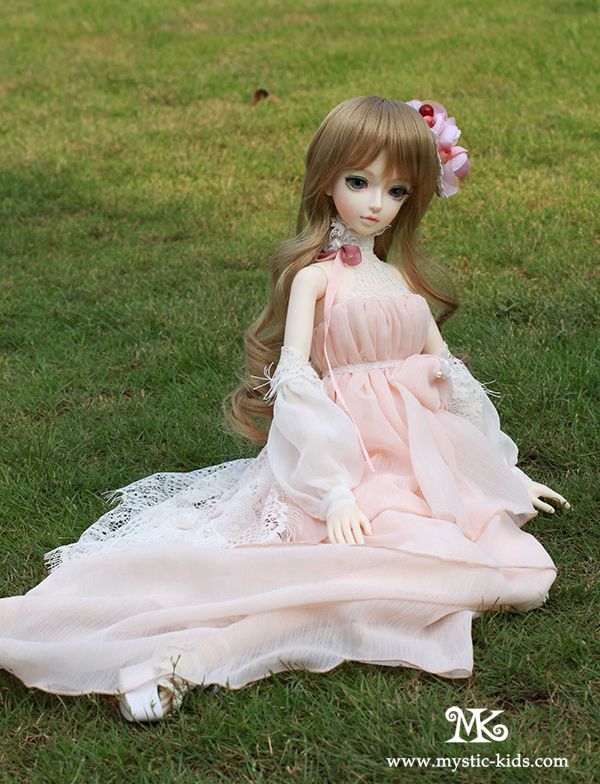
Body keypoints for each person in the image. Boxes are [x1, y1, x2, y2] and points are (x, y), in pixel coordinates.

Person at [0, 96, 569, 723]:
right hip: (347, 455)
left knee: (511, 576)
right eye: (359, 182)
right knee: (375, 568)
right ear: (327, 181)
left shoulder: (399, 280)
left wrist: (501, 472)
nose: (376, 204)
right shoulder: (316, 279)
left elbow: (451, 379)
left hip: (416, 458)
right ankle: (186, 657)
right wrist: (333, 491)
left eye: (397, 190)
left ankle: (195, 656)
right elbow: (298, 385)